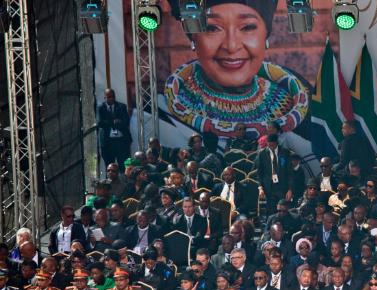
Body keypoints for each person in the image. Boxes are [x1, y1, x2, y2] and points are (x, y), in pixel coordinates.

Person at [165, 1, 308, 138]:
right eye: (212, 28)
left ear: (265, 35)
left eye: (247, 27)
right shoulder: (162, 117)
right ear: (194, 39)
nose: (231, 46)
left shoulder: (298, 108)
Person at [97, 88, 132, 171]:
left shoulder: (121, 106)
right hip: (108, 142)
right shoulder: (101, 108)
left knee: (123, 166)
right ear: (104, 98)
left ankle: (124, 182)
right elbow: (100, 123)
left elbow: (126, 122)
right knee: (109, 167)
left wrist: (118, 123)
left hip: (121, 141)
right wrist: (113, 122)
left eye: (112, 97)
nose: (111, 99)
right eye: (108, 97)